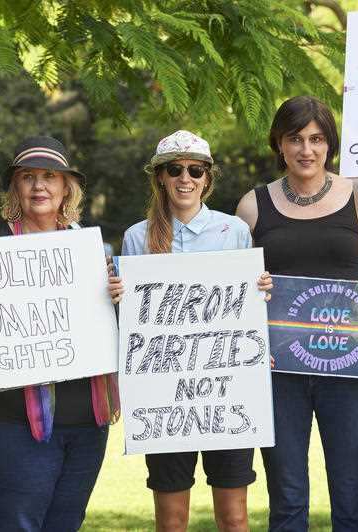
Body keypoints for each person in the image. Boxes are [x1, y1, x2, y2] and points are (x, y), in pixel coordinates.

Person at [0, 136, 120, 531]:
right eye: (28, 177)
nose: (39, 187)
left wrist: (119, 298)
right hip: (8, 423)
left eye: (50, 177)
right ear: (15, 187)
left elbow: (117, 332)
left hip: (86, 424)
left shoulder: (91, 252)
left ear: (67, 186)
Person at [235, 95, 358, 532]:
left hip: (348, 371)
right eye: (295, 139)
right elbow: (235, 294)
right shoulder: (252, 206)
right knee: (286, 500)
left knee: (350, 496)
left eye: (317, 139)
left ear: (330, 144)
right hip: (277, 373)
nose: (306, 150)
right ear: (279, 143)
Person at [107, 130, 272, 532]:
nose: (186, 178)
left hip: (226, 391)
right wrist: (116, 297)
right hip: (163, 397)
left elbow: (245, 311)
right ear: (160, 177)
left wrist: (261, 291)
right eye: (175, 169)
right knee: (171, 520)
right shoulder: (137, 237)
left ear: (207, 178)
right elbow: (131, 325)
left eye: (195, 170)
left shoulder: (233, 231)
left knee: (234, 518)